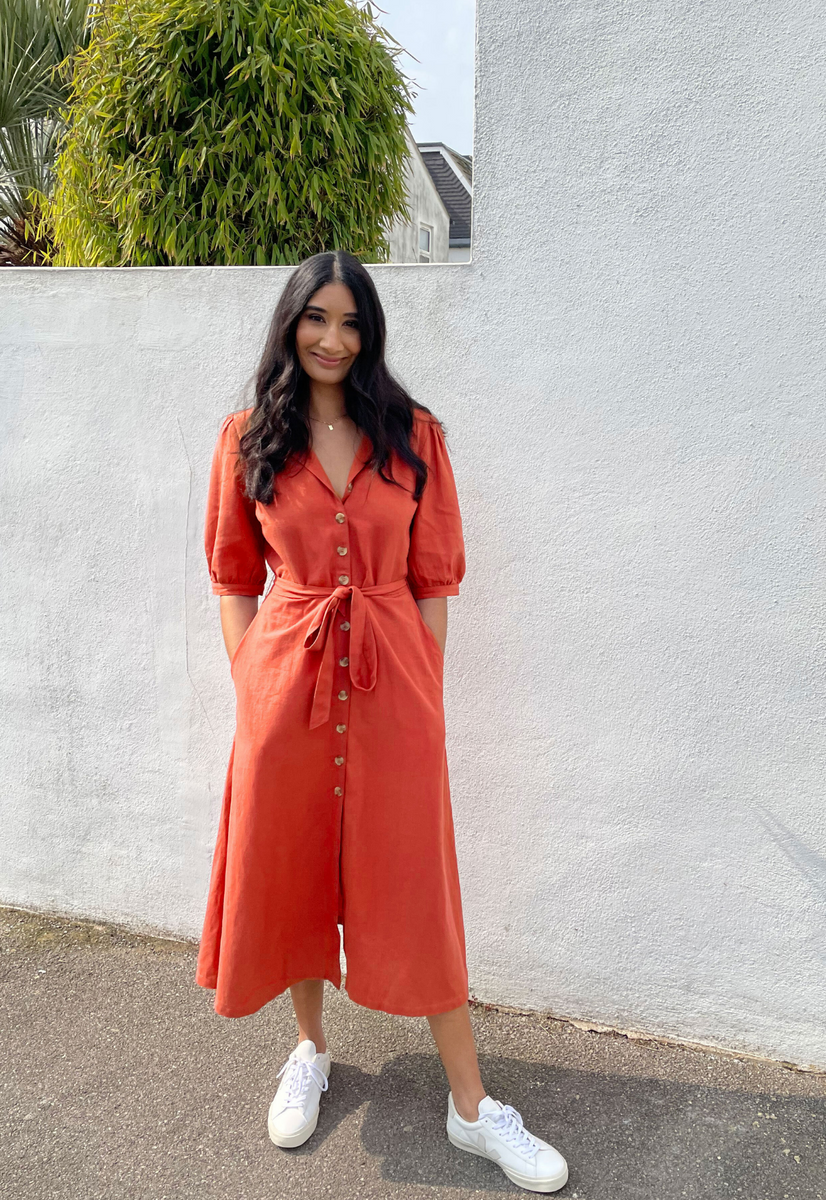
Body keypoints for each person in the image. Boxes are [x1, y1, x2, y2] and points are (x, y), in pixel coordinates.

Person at [197, 250, 568, 1193]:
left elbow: (433, 577)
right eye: (316, 318)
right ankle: (312, 1050)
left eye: (352, 322)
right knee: (292, 871)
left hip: (394, 691)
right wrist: (253, 685)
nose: (333, 338)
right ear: (291, 324)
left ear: (372, 334)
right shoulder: (250, 436)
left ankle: (472, 1105)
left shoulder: (413, 436)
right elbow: (235, 579)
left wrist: (424, 691)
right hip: (285, 689)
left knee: (418, 887)